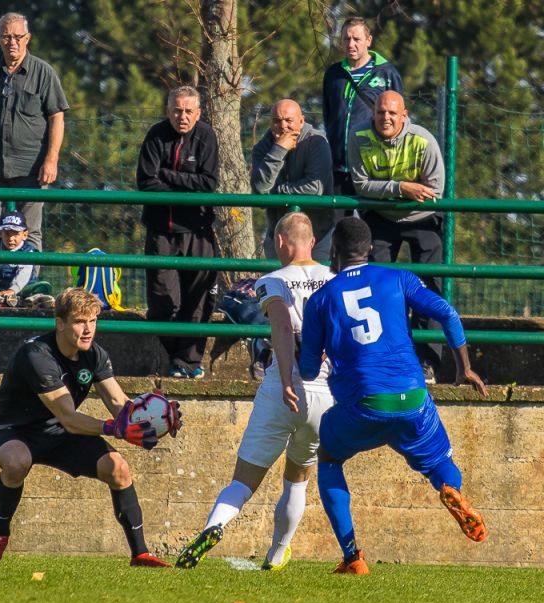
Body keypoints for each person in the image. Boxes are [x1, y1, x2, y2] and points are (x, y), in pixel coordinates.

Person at [299, 217, 488, 575]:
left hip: (363, 408)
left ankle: (353, 556)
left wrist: (318, 348)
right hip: (414, 399)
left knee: (328, 458)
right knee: (437, 462)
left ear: (334, 253)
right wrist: (463, 367)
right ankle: (451, 489)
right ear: (370, 249)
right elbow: (447, 313)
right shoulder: (398, 278)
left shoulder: (321, 299)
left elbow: (308, 371)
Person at [0, 287, 179, 568]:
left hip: (60, 433)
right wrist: (115, 429)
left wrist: (157, 418)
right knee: (16, 463)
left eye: (93, 321)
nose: (88, 329)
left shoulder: (95, 355)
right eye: (79, 321)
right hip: (15, 430)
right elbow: (69, 417)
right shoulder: (36, 355)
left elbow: (119, 403)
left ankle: (141, 554)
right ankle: (0, 534)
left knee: (118, 468)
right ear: (60, 323)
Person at [176, 212, 334, 570]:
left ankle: (214, 527)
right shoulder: (333, 279)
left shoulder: (273, 280)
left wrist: (287, 378)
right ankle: (278, 553)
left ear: (281, 241)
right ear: (311, 241)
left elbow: (279, 324)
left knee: (243, 482)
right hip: (324, 393)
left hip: (282, 387)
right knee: (297, 479)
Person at [348, 90, 445, 381]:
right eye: (380, 112)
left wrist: (395, 191)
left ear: (404, 115)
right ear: (373, 114)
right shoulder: (359, 136)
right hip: (380, 217)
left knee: (427, 287)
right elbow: (360, 185)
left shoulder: (423, 140)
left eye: (392, 113)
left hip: (422, 217)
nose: (386, 118)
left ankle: (428, 361)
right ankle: (386, 357)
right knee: (378, 287)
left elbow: (436, 191)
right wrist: (402, 188)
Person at [136, 85, 219, 379]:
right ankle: (179, 359)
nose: (182, 117)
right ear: (167, 110)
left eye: (187, 111)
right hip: (161, 231)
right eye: (176, 110)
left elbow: (208, 183)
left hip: (197, 231)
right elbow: (146, 182)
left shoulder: (206, 136)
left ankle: (188, 363)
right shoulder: (155, 135)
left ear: (198, 113)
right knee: (162, 302)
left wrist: (167, 176)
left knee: (198, 300)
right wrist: (185, 183)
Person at [0, 12, 69, 253]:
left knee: (30, 232)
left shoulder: (44, 73)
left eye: (17, 36)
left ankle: (28, 288)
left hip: (31, 169)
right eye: (6, 37)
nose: (12, 42)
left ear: (28, 38)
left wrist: (51, 160)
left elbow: (57, 117)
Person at [322, 16, 403, 196]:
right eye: (346, 39)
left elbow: (401, 119)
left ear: (368, 40)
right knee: (338, 224)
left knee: (374, 223)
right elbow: (329, 117)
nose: (351, 44)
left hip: (376, 168)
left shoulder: (387, 73)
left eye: (356, 39)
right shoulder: (333, 74)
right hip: (339, 168)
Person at [251, 99, 334, 261]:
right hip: (278, 239)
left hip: (318, 238)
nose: (283, 126)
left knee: (318, 286)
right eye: (277, 121)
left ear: (302, 121)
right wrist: (279, 149)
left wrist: (277, 192)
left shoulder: (317, 142)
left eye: (288, 120)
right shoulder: (263, 146)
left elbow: (314, 188)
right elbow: (260, 188)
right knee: (278, 286)